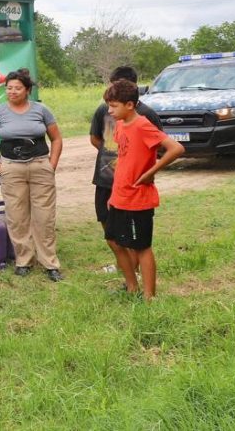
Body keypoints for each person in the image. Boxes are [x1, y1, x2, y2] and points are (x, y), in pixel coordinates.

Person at [0, 68, 64, 281]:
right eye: (9, 88)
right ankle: (24, 260)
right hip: (11, 168)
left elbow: (57, 138)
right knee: (16, 216)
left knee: (44, 217)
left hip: (40, 165)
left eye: (17, 88)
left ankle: (50, 263)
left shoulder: (41, 110)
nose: (12, 92)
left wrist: (51, 164)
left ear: (27, 90)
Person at [103, 79, 184, 300]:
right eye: (108, 105)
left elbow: (176, 148)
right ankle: (132, 286)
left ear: (130, 105)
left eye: (114, 106)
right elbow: (123, 158)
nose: (110, 110)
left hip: (139, 198)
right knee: (113, 240)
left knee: (141, 247)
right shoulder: (120, 124)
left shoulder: (143, 125)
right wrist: (113, 193)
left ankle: (150, 297)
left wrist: (150, 172)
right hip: (120, 195)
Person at [89, 66, 161, 273]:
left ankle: (135, 270)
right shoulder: (104, 110)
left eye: (118, 87)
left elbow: (158, 150)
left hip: (134, 186)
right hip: (105, 178)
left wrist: (146, 173)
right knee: (107, 225)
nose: (112, 94)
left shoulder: (147, 116)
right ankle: (126, 267)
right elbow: (96, 139)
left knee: (134, 234)